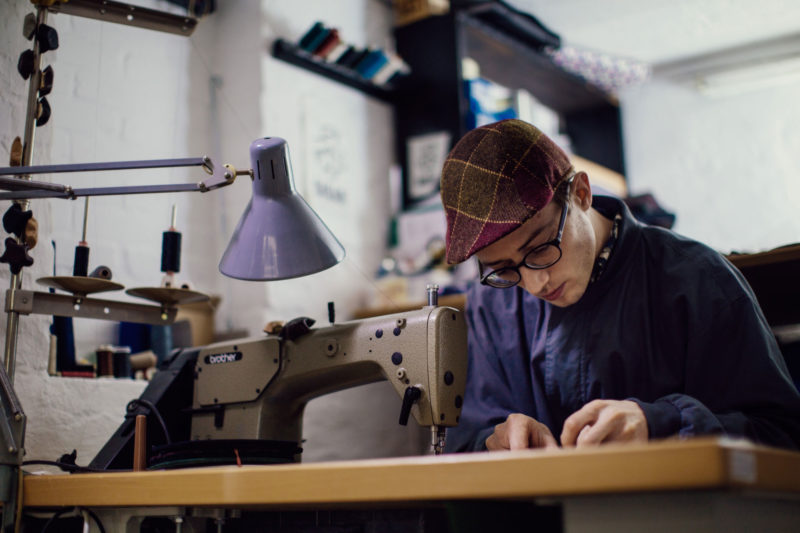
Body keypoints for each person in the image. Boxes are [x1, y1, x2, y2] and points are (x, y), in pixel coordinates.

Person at [441, 118, 800, 452]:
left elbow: (782, 435)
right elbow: (464, 440)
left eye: (540, 249)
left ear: (581, 193)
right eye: (504, 269)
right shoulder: (492, 307)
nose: (535, 283)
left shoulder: (698, 280)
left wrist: (662, 424)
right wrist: (494, 440)